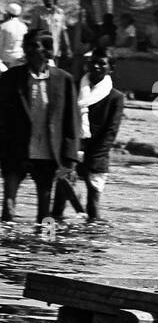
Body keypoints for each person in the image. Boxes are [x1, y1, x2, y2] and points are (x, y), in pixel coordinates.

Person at [0, 32, 79, 223]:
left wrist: (70, 159)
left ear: (47, 50)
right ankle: (8, 249)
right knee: (8, 209)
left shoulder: (63, 80)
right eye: (27, 45)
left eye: (34, 46)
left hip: (47, 155)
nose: (29, 50)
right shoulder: (11, 78)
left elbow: (71, 121)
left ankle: (41, 248)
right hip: (16, 151)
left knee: (44, 214)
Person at [50, 48, 123, 221]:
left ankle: (92, 242)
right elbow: (62, 120)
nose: (96, 66)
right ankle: (53, 241)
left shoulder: (115, 98)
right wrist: (69, 152)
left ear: (110, 68)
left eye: (101, 63)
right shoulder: (74, 87)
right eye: (93, 62)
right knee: (59, 203)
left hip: (97, 155)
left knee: (93, 205)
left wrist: (89, 158)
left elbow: (110, 133)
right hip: (70, 150)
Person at [29, 0, 70, 68]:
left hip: (55, 50)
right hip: (42, 50)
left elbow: (63, 31)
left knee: (54, 72)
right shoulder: (38, 12)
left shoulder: (60, 13)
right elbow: (32, 31)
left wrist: (68, 48)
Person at [1, 3, 27, 69]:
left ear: (8, 14)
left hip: (5, 59)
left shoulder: (3, 26)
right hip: (19, 58)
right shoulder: (24, 27)